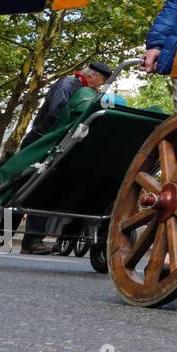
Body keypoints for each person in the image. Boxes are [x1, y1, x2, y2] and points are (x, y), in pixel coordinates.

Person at [16, 59, 112, 254]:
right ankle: (12, 235)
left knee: (42, 187)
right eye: (100, 80)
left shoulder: (92, 93)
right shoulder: (68, 84)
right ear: (91, 75)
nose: (100, 84)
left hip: (63, 143)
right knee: (23, 185)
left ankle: (31, 240)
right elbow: (55, 114)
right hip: (42, 141)